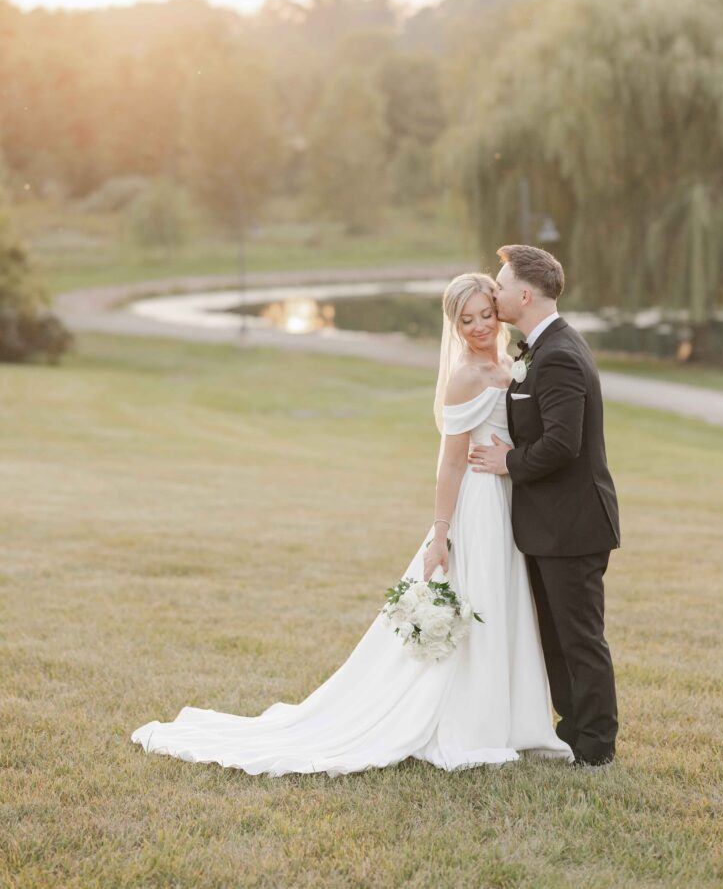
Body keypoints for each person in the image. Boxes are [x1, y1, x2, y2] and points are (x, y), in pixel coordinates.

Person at [131, 272, 573, 776]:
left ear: (499, 313)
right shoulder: (465, 377)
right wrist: (441, 532)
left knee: (505, 603)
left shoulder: (511, 364)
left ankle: (513, 719)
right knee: (481, 601)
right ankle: (475, 722)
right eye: (465, 319)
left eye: (484, 315)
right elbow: (451, 462)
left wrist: (516, 456)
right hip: (479, 505)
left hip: (509, 496)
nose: (477, 327)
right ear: (454, 325)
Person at [468, 245, 620, 768]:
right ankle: (573, 731)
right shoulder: (542, 348)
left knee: (579, 639)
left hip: (573, 527)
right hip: (548, 526)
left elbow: (562, 444)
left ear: (525, 294)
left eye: (501, 285)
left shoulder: (558, 353)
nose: (495, 292)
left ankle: (596, 747)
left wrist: (509, 461)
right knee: (555, 638)